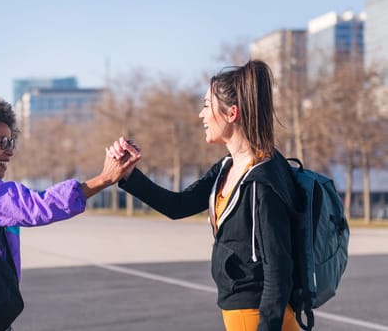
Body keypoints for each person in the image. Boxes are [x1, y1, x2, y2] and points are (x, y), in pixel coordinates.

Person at [108, 60, 301, 331]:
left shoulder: (262, 180)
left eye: (206, 105)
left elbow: (279, 270)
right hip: (243, 314)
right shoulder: (227, 168)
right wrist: (129, 174)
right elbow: (178, 206)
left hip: (258, 317)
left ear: (232, 113)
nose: (201, 114)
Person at [0, 94, 140, 330]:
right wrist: (104, 179)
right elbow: (38, 206)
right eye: (1, 142)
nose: (9, 151)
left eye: (11, 142)